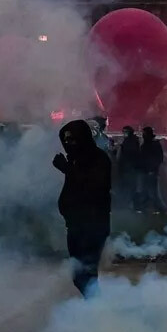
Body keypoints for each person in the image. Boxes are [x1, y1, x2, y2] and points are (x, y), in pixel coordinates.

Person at [53, 120, 112, 297]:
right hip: (75, 225)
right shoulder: (77, 160)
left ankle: (97, 312)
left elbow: (93, 187)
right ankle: (95, 311)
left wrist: (67, 169)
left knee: (86, 274)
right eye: (65, 140)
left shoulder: (98, 159)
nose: (68, 144)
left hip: (93, 226)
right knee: (79, 275)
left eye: (72, 139)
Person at [138, 126, 167, 213]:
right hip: (146, 171)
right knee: (146, 191)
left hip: (151, 172)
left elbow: (158, 159)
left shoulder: (153, 144)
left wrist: (152, 169)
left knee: (153, 192)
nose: (143, 135)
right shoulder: (146, 144)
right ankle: (145, 208)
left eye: (144, 133)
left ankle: (161, 208)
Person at [116, 126, 141, 209]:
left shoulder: (130, 141)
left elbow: (129, 154)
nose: (124, 133)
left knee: (129, 188)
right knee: (128, 187)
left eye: (125, 131)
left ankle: (129, 205)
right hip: (128, 168)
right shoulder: (131, 140)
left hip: (129, 168)